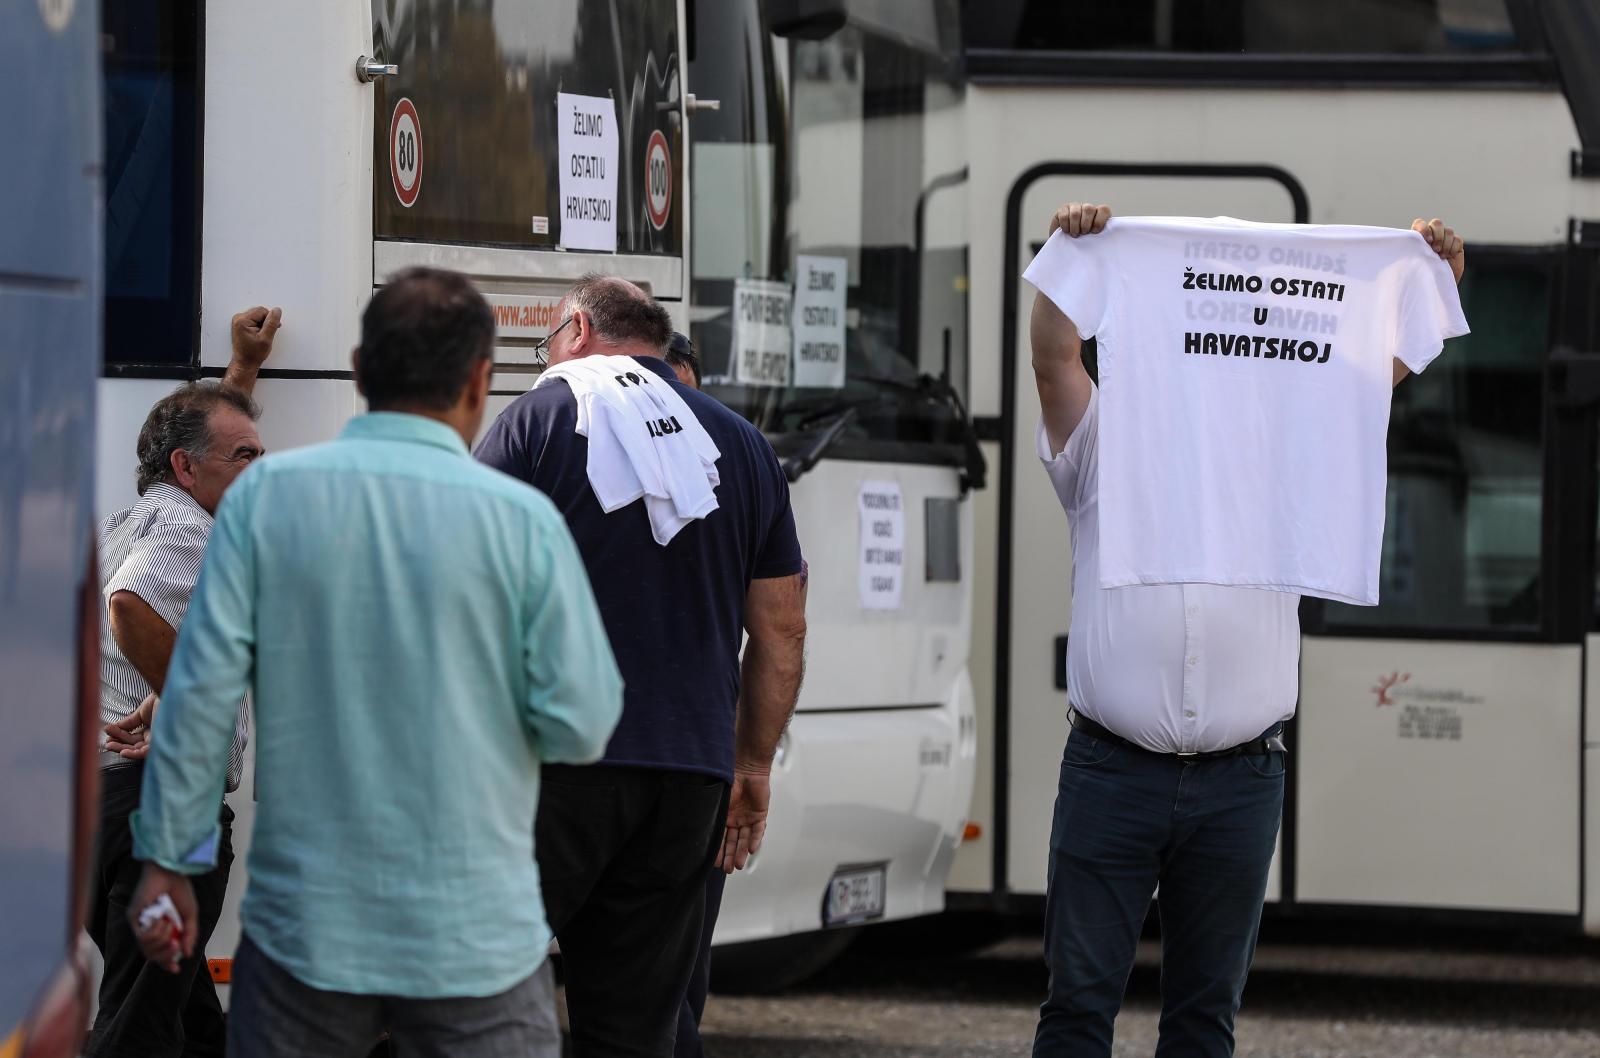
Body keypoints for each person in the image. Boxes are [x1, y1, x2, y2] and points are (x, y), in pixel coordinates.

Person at [126, 267, 624, 1058]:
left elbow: (199, 699)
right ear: (481, 381)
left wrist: (169, 867)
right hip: (478, 941)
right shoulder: (522, 522)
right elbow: (583, 722)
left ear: (360, 372)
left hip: (304, 939)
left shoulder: (264, 501)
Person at [1029, 202, 1465, 1058]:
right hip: (1113, 771)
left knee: (1204, 1019)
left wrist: (1434, 279)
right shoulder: (1107, 437)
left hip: (1240, 780)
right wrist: (1068, 256)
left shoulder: (1285, 446)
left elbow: (1364, 377)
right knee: (1078, 1008)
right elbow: (1053, 358)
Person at [476, 275, 807, 1056]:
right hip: (687, 776)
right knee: (635, 1027)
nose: (545, 359)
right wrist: (751, 766)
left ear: (578, 330)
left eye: (546, 343)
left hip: (550, 769)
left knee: (470, 994)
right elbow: (783, 627)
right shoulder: (746, 446)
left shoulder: (534, 421)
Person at [87, 305, 279, 1058]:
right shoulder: (190, 533)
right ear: (185, 470)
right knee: (138, 1029)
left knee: (191, 1023)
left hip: (105, 813)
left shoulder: (134, 519)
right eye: (248, 459)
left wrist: (244, 371)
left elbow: (211, 443)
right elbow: (129, 604)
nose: (262, 471)